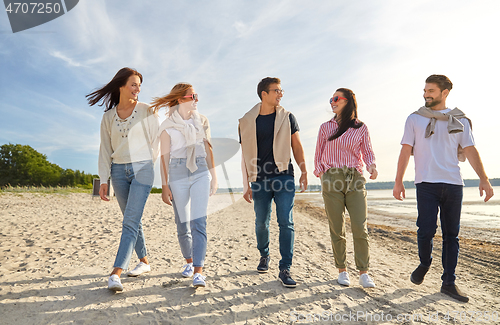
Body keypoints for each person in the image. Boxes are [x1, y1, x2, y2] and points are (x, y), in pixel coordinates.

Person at [393, 74, 494, 302]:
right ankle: (425, 262)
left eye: (430, 91)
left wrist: (484, 179)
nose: (425, 94)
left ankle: (448, 282)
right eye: (425, 90)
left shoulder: (460, 120)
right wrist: (398, 181)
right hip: (426, 184)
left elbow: (470, 150)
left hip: (453, 185)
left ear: (444, 93)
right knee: (425, 230)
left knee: (452, 236)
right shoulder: (415, 119)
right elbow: (404, 150)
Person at [87, 67, 159, 291]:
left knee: (129, 222)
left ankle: (116, 272)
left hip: (143, 169)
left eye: (139, 85)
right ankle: (144, 261)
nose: (138, 89)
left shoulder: (148, 111)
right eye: (134, 84)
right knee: (132, 219)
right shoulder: (108, 117)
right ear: (121, 86)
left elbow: (157, 140)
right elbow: (105, 149)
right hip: (118, 171)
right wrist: (104, 180)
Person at [239, 77, 307, 288]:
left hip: (284, 174)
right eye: (276, 90)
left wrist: (304, 170)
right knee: (261, 222)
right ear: (264, 94)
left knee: (285, 221)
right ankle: (264, 255)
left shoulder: (287, 117)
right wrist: (246, 184)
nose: (280, 94)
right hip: (259, 178)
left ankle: (285, 268)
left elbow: (296, 146)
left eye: (281, 90)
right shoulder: (246, 121)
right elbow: (244, 155)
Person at [151, 83, 217, 288]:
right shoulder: (168, 125)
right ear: (180, 99)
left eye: (197, 95)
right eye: (192, 96)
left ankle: (198, 271)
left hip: (199, 170)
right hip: (177, 172)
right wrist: (164, 185)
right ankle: (189, 262)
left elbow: (208, 148)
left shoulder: (202, 120)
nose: (196, 99)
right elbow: (164, 157)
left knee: (199, 222)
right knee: (182, 224)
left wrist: (214, 176)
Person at [313, 88, 378, 288]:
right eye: (331, 99)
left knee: (360, 226)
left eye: (336, 99)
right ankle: (342, 270)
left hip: (355, 179)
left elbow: (367, 151)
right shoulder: (325, 127)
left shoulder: (360, 127)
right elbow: (318, 153)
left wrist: (372, 166)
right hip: (332, 178)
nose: (332, 102)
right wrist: (322, 174)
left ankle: (364, 272)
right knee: (337, 226)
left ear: (348, 101)